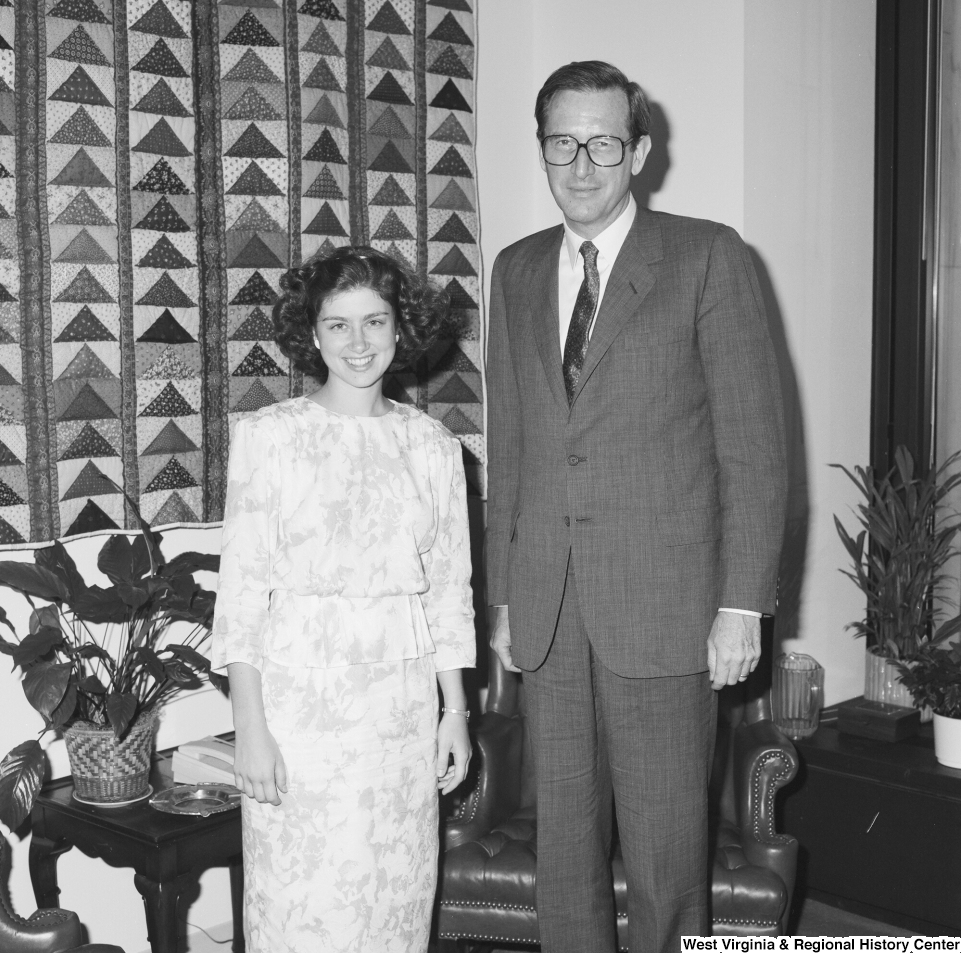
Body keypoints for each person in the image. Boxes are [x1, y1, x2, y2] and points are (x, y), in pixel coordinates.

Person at [485, 60, 787, 952]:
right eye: (561, 142)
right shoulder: (516, 268)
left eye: (604, 142)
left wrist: (742, 605)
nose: (582, 163)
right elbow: (514, 449)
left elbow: (754, 449)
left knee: (664, 853)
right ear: (540, 148)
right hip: (550, 604)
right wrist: (505, 594)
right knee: (563, 849)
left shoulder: (706, 256)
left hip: (668, 606)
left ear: (640, 151)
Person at [211, 246, 477, 953]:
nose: (358, 343)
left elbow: (450, 588)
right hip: (301, 717)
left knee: (394, 902)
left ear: (401, 328)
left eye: (375, 321)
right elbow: (241, 592)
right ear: (313, 333)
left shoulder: (435, 446)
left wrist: (456, 711)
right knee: (305, 908)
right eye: (338, 325)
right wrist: (251, 727)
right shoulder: (269, 437)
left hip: (401, 713)